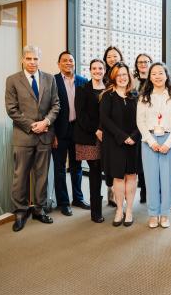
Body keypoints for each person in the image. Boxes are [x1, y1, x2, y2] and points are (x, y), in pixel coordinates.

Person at [5, 45, 59, 232]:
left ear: (39, 60)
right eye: (29, 58)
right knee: (20, 176)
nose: (32, 62)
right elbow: (11, 109)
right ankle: (20, 212)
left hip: (45, 135)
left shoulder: (49, 78)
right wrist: (31, 125)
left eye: (35, 59)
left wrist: (46, 122)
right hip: (24, 136)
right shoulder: (12, 80)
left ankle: (39, 208)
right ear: (23, 60)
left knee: (42, 176)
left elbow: (56, 105)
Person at [137, 62, 171, 228]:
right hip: (149, 142)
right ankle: (153, 214)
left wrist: (169, 143)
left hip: (170, 141)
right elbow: (140, 122)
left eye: (160, 73)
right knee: (151, 178)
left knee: (168, 179)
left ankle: (165, 214)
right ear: (149, 77)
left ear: (166, 75)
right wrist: (152, 141)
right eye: (153, 73)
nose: (157, 76)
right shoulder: (143, 98)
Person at [100, 62, 140, 227]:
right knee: (118, 177)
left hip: (134, 142)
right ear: (113, 77)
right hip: (115, 142)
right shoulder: (107, 96)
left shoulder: (136, 95)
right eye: (118, 75)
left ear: (129, 76)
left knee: (131, 176)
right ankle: (119, 210)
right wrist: (123, 137)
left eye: (124, 74)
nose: (122, 78)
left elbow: (143, 119)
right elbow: (105, 120)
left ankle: (129, 210)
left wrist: (134, 136)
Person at [52, 51, 89, 216]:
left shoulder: (83, 81)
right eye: (65, 60)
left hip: (77, 130)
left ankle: (78, 198)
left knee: (77, 167)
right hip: (59, 131)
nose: (68, 63)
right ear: (59, 64)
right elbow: (47, 107)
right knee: (60, 168)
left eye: (71, 60)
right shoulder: (53, 81)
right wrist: (52, 133)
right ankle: (63, 202)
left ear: (75, 63)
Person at [74, 59, 106, 223]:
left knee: (103, 170)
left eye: (100, 68)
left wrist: (103, 130)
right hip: (88, 137)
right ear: (90, 70)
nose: (97, 71)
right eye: (94, 68)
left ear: (104, 70)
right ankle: (96, 212)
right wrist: (96, 130)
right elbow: (81, 115)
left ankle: (107, 204)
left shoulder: (109, 89)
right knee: (94, 172)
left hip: (107, 136)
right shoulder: (82, 89)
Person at [102, 46, 124, 207]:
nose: (112, 59)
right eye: (109, 56)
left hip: (122, 126)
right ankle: (111, 192)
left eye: (115, 56)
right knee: (108, 162)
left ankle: (119, 195)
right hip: (106, 125)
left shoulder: (124, 74)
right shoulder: (102, 76)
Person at [133, 53, 153, 204]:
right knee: (139, 160)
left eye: (146, 61)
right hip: (134, 126)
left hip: (152, 125)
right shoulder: (132, 81)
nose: (143, 64)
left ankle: (148, 191)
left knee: (149, 160)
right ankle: (142, 191)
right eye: (140, 62)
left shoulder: (154, 80)